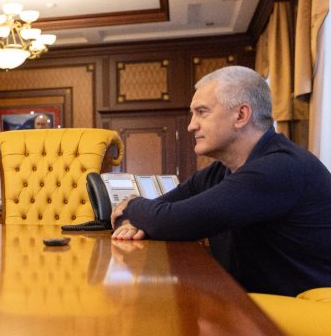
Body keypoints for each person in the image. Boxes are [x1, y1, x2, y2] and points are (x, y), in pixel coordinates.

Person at [110, 66, 331, 296]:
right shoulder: (221, 170)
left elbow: (173, 220)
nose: (191, 125)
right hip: (253, 301)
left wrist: (132, 204)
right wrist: (134, 220)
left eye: (202, 112)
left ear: (241, 116)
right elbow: (162, 212)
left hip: (304, 308)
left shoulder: (280, 167)